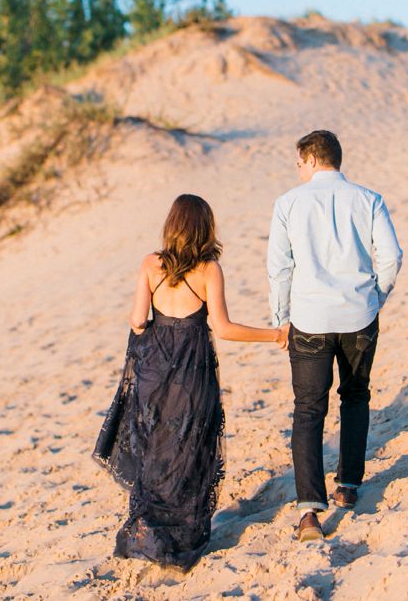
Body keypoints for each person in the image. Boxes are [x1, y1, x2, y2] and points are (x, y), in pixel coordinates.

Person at [96, 194, 286, 571]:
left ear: (171, 225)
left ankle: (150, 530)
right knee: (191, 448)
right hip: (192, 370)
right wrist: (276, 335)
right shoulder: (208, 269)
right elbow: (225, 329)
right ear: (205, 228)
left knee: (157, 450)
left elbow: (136, 320)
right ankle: (181, 538)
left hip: (154, 369)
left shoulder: (151, 265)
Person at [268, 129, 403, 543]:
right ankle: (348, 486)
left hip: (308, 318)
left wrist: (281, 317)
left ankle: (310, 512)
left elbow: (280, 267)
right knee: (356, 396)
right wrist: (375, 297)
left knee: (308, 410)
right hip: (359, 315)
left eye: (298, 162)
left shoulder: (289, 203)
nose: (297, 169)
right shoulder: (369, 199)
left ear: (311, 159)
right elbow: (392, 256)